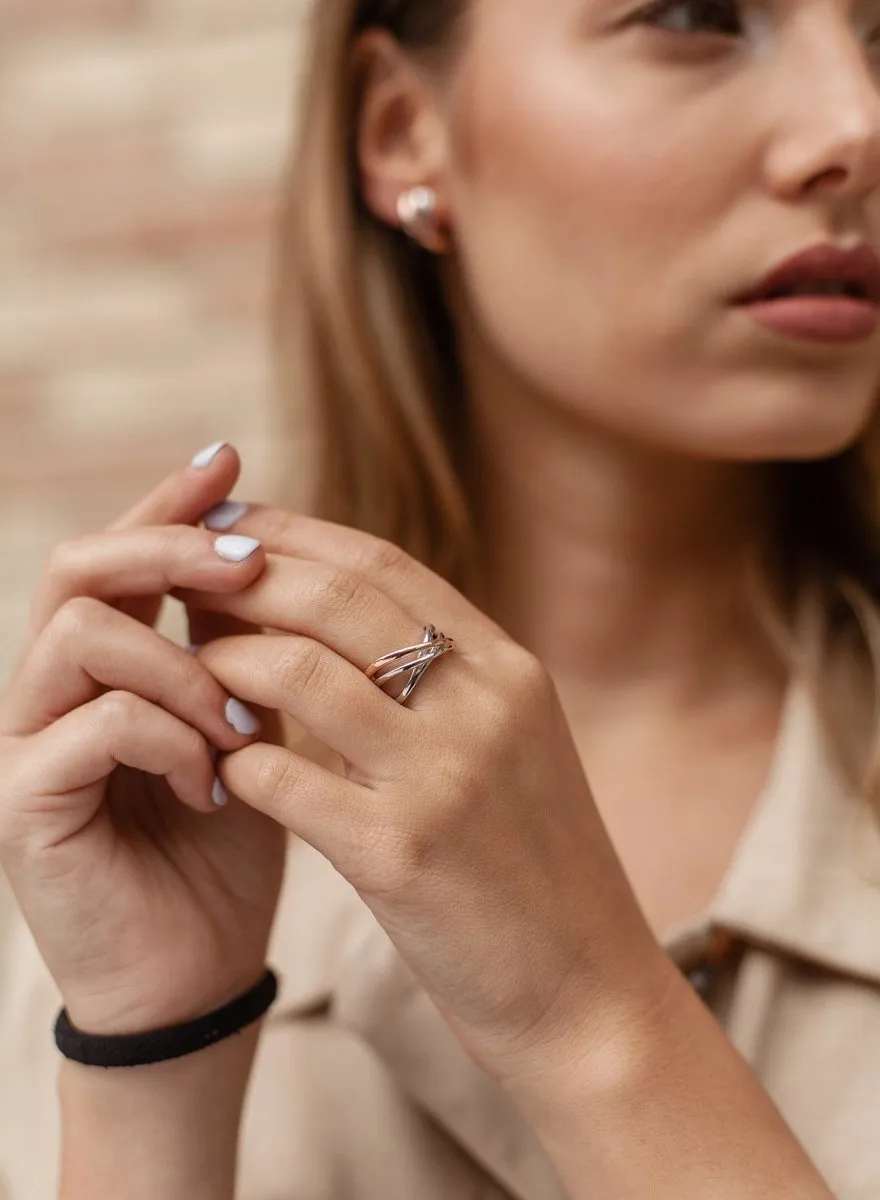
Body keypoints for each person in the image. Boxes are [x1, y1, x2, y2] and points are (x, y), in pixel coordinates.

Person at [2, 0, 880, 1195]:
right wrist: (152, 1063)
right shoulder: (130, 827)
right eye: (695, 16)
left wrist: (589, 1014)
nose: (855, 122)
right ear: (404, 128)